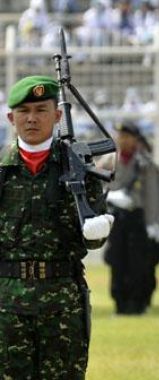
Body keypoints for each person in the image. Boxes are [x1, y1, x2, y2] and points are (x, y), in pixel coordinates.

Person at [0, 75, 113, 378]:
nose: (32, 119)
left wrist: (98, 233)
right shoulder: (2, 171)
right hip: (7, 303)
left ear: (58, 115)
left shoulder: (78, 168)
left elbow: (90, 238)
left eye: (41, 110)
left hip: (62, 302)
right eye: (24, 112)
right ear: (11, 117)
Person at [101, 122, 159, 315]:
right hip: (116, 218)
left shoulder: (145, 165)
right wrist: (108, 197)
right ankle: (120, 303)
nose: (123, 139)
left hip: (138, 219)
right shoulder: (109, 162)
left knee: (139, 262)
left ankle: (138, 304)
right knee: (117, 261)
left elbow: (153, 195)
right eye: (120, 135)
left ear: (136, 139)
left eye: (127, 136)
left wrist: (156, 224)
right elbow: (96, 187)